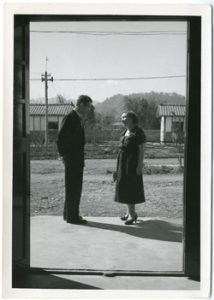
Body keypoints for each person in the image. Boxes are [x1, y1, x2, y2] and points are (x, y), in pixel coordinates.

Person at [57, 95, 93, 224]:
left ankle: (69, 215)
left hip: (76, 159)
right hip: (72, 159)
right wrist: (65, 156)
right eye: (88, 106)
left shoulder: (77, 118)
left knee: (73, 188)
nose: (89, 109)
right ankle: (73, 217)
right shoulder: (70, 117)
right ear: (82, 105)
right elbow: (61, 138)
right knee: (74, 188)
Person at [114, 111, 146, 225]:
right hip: (123, 163)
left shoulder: (138, 132)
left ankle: (132, 215)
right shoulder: (125, 131)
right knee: (124, 187)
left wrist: (139, 166)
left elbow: (142, 150)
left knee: (131, 188)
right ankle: (129, 213)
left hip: (132, 164)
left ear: (132, 118)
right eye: (121, 117)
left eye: (125, 117)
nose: (122, 119)